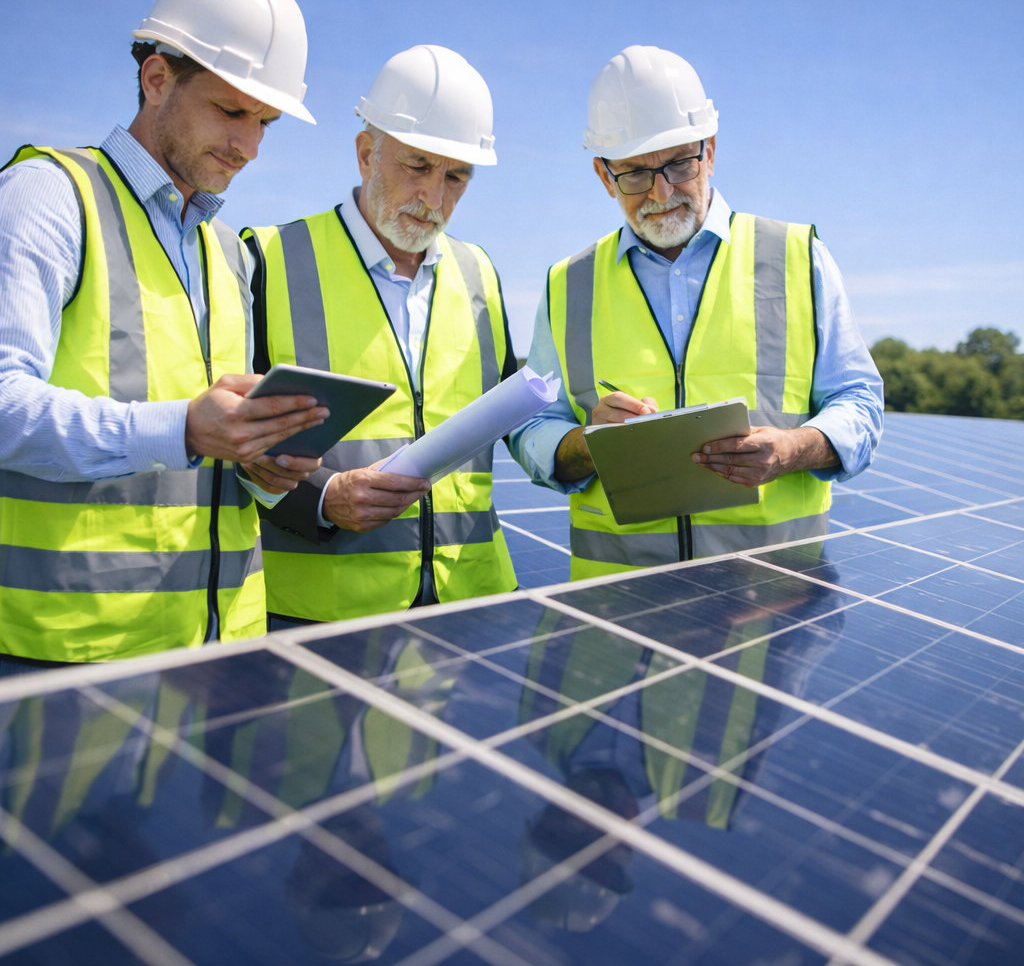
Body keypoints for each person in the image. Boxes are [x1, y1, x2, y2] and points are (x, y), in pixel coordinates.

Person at [0, 0, 325, 670]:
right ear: (156, 80)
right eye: (231, 112)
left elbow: (213, 440)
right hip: (69, 656)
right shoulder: (47, 197)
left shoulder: (225, 254)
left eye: (265, 122)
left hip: (221, 653)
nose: (250, 147)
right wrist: (180, 428)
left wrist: (260, 464)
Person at [510, 45, 884, 580]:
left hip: (771, 607)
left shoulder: (795, 257)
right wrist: (587, 444)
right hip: (616, 612)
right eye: (634, 174)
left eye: (678, 164)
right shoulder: (569, 283)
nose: (661, 193)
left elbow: (860, 402)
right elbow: (533, 428)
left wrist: (794, 450)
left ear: (709, 151)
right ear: (602, 174)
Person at [245, 44, 518, 627]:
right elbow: (228, 444)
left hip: (470, 603)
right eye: (417, 166)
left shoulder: (481, 275)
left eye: (457, 177)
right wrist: (322, 497)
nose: (434, 198)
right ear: (367, 153)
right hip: (318, 614)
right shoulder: (268, 259)